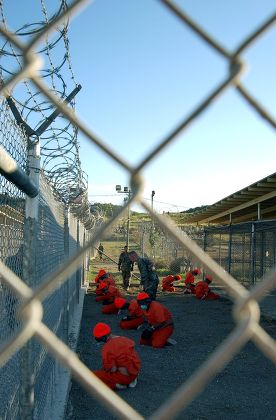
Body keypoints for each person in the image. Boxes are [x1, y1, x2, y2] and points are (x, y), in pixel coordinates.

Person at [92, 322, 141, 390]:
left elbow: (112, 369)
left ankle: (118, 385)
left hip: (124, 377)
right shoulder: (125, 339)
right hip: (134, 373)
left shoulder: (107, 348)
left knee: (93, 376)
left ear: (103, 338)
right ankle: (130, 380)